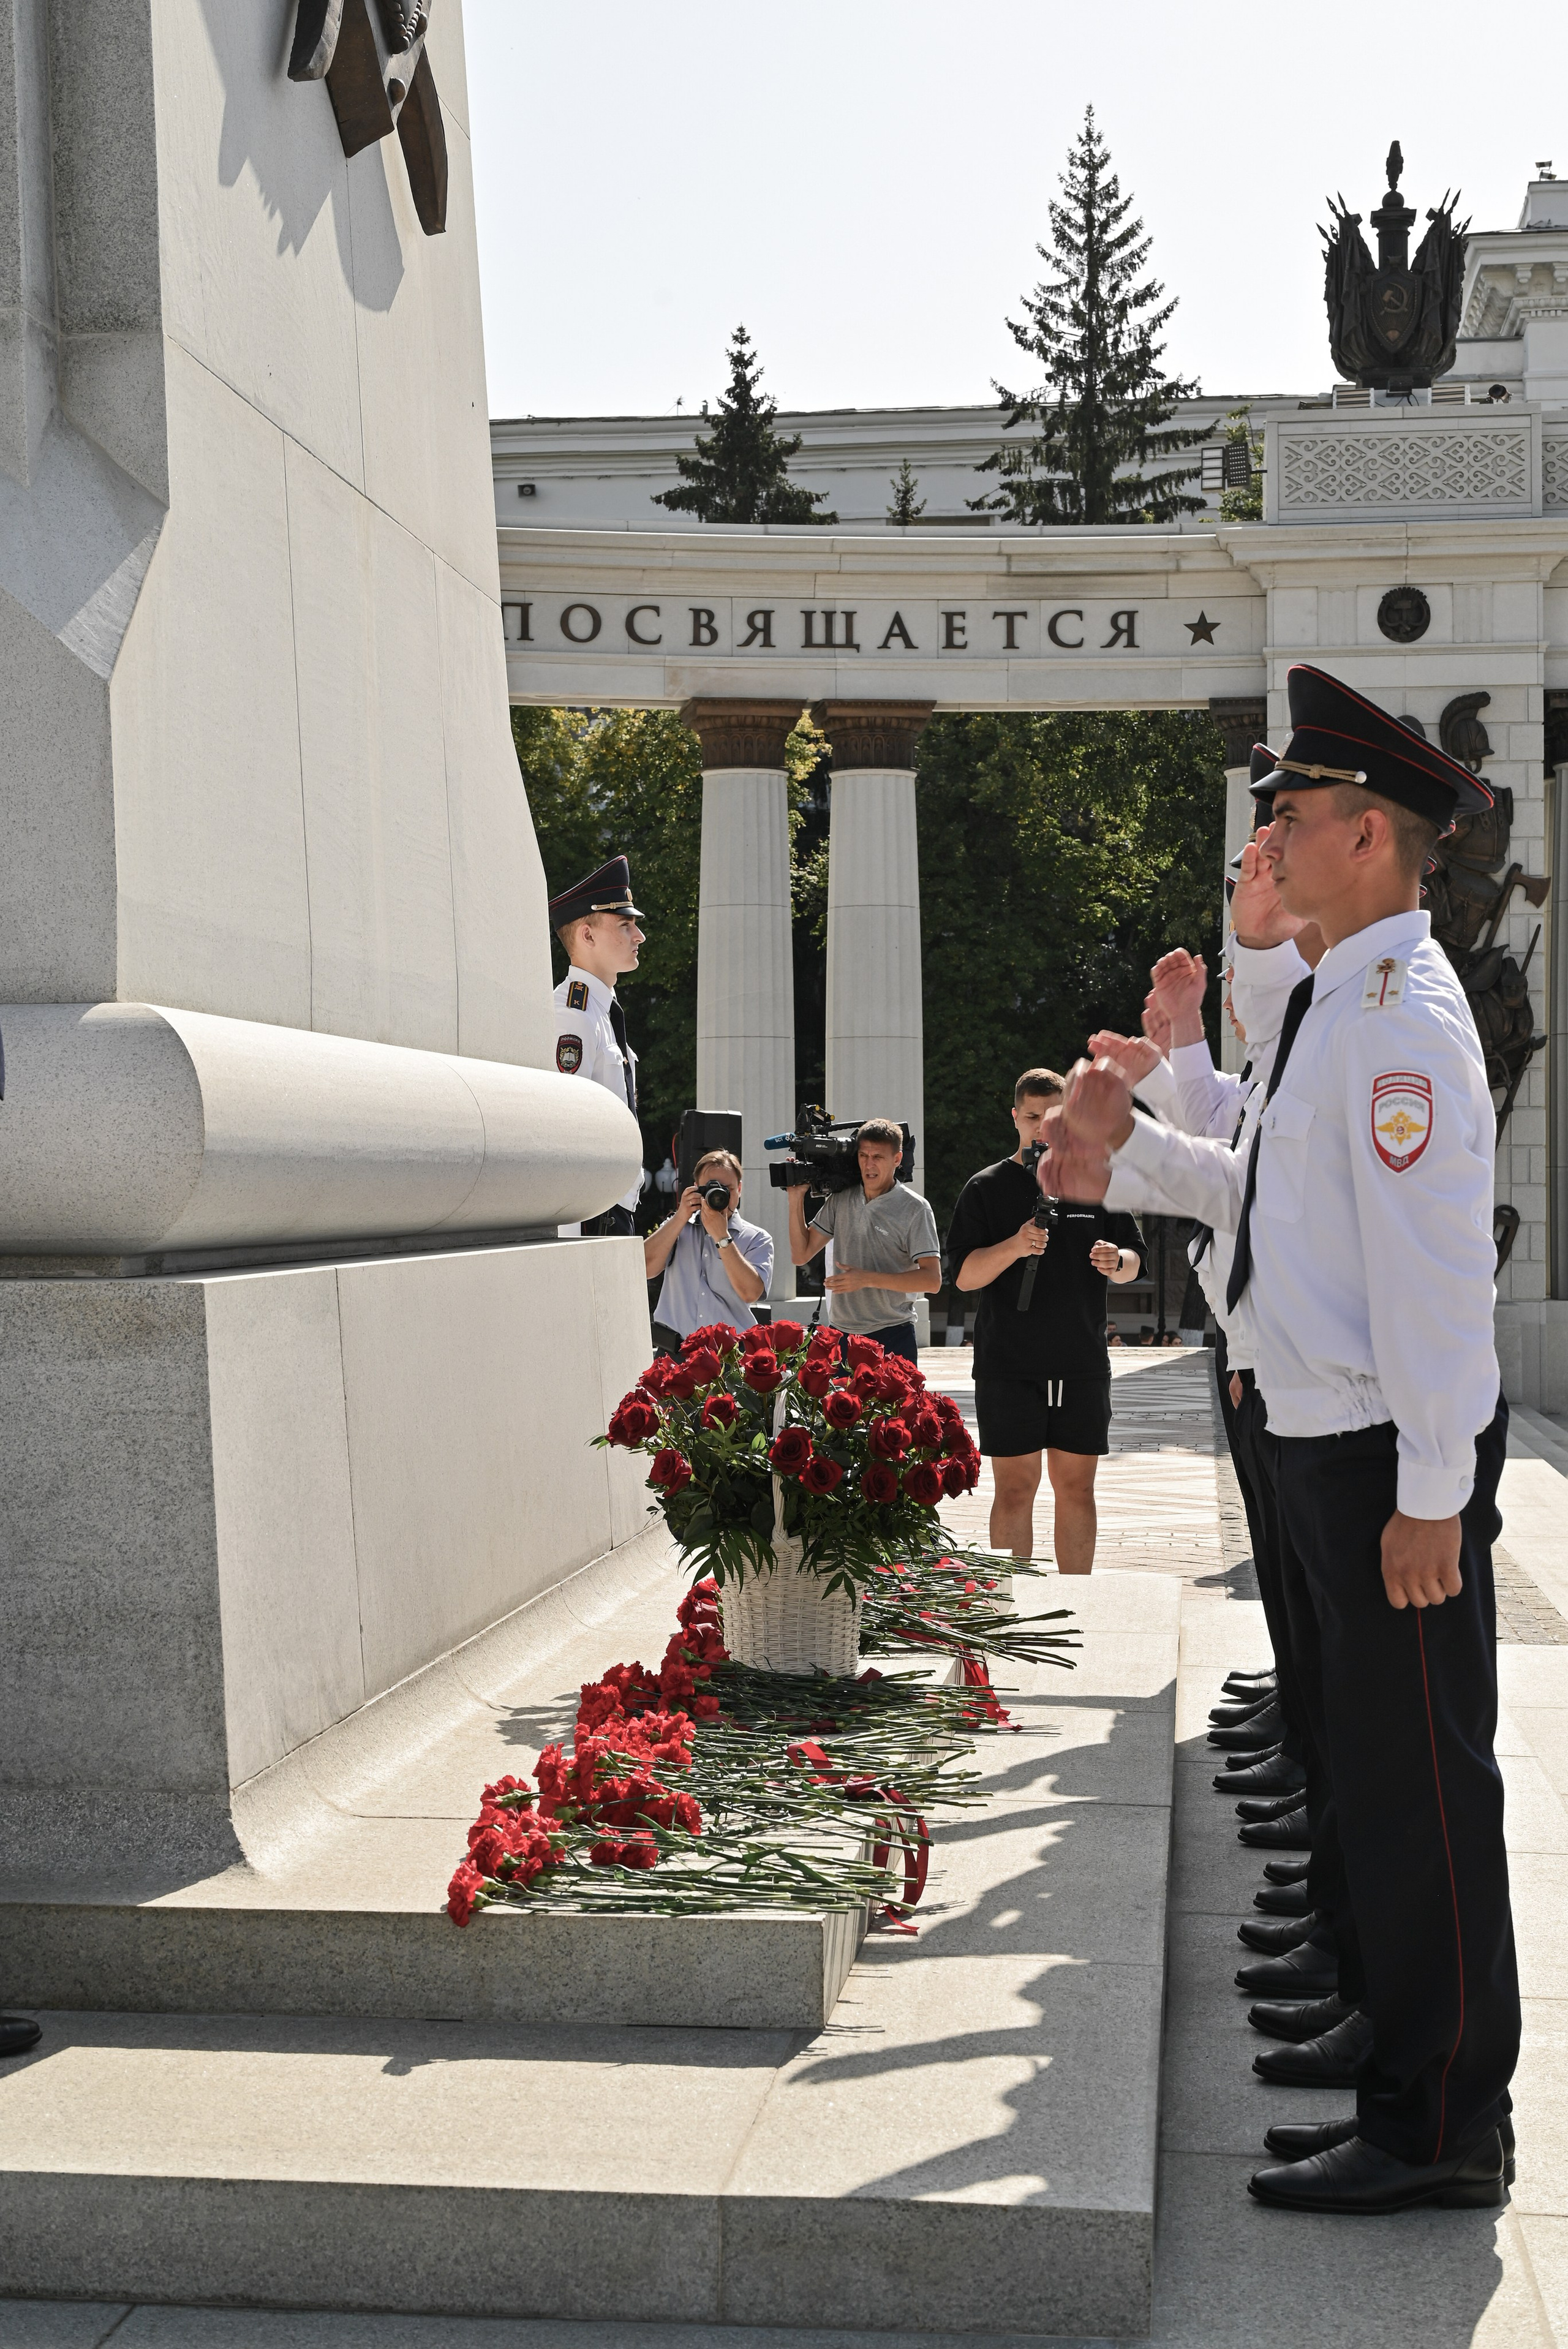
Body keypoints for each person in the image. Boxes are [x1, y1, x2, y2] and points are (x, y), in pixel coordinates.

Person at [1043, 662, 1517, 2217]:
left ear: (1372, 835)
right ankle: (1394, 2041)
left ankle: (1441, 2111)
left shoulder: (1395, 1021)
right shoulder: (1332, 991)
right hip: (1327, 1437)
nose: (1275, 834)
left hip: (1382, 1451)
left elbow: (1441, 1280)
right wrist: (1133, 1152)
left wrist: (1434, 1494)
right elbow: (1268, 1207)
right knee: (1371, 1779)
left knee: (1417, 1792)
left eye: (1297, 814)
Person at [945, 1069, 1142, 1570]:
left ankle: (1076, 1607)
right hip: (1009, 1364)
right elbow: (963, 1277)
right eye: (1032, 1117)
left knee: (1077, 1488)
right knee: (1015, 1489)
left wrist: (1115, 1259)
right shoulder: (985, 1188)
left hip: (1080, 1361)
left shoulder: (1098, 1180)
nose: (1042, 1127)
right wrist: (1014, 1245)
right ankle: (1013, 1613)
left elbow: (1135, 1259)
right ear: (1016, 1116)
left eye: (1053, 1117)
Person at [788, 1118, 941, 1365]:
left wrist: (867, 1279)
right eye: (863, 1156)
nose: (869, 1165)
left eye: (878, 1157)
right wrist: (796, 1199)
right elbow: (801, 1254)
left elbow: (932, 1280)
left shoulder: (916, 1209)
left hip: (892, 1334)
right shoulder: (841, 1199)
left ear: (897, 1159)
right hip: (841, 1336)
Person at [548, 854, 646, 1237]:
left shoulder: (599, 1013)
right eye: (625, 925)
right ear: (587, 935)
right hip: (590, 1214)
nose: (639, 936)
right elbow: (564, 1127)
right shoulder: (573, 1015)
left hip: (610, 1208)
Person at [643, 1148, 773, 1348]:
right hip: (675, 1352)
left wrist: (722, 1237)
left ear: (739, 1189)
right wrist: (680, 1217)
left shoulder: (757, 1238)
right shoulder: (677, 1227)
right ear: (696, 1189)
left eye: (726, 1189)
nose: (719, 1195)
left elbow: (751, 1293)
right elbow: (645, 1268)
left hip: (728, 1356)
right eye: (711, 1188)